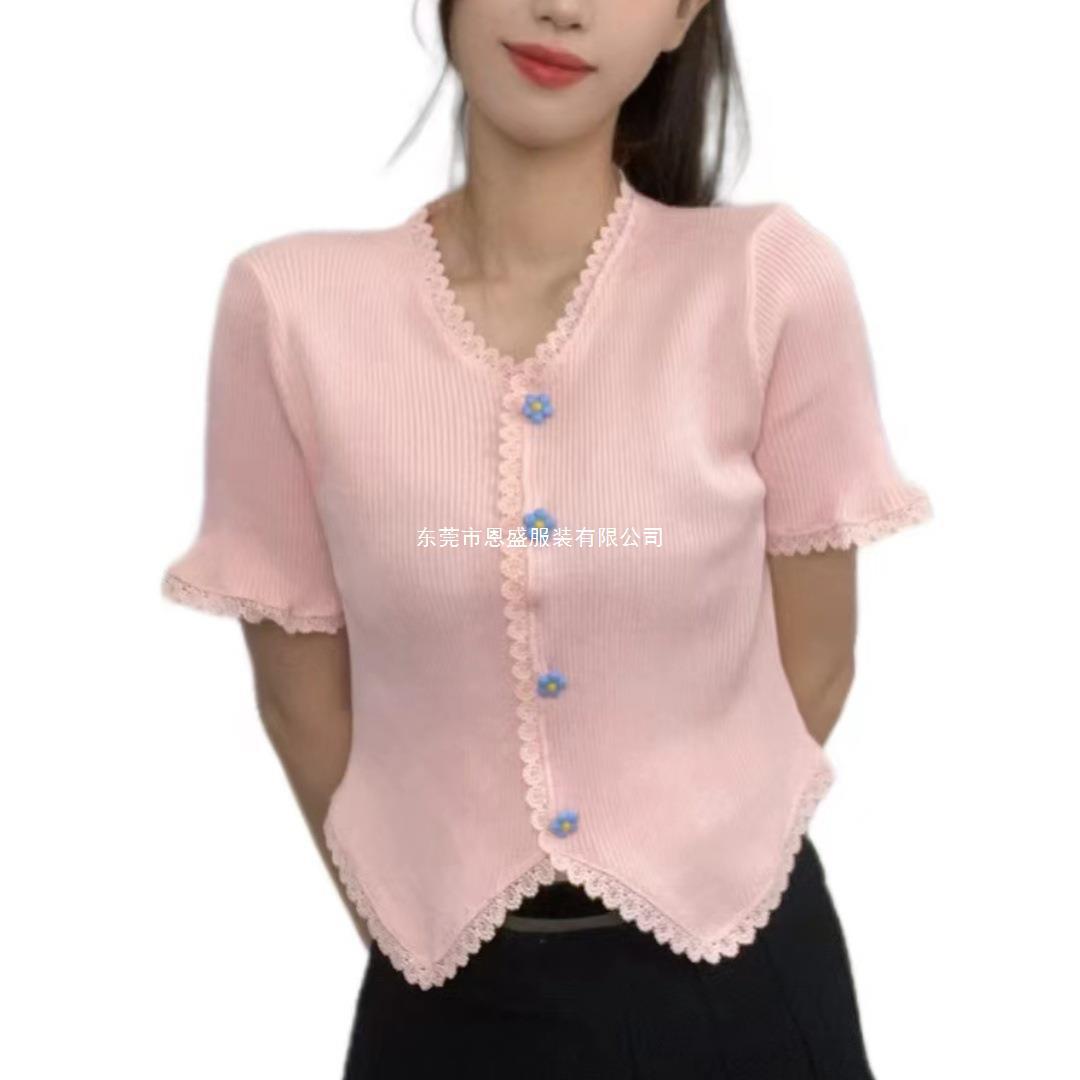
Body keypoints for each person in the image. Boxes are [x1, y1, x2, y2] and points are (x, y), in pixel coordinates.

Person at [160, 1, 933, 1076]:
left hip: (739, 984)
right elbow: (302, 702)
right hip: (444, 1003)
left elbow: (820, 659)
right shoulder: (291, 308)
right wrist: (426, 912)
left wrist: (694, 857)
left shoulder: (766, 280)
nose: (562, 8)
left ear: (681, 15)